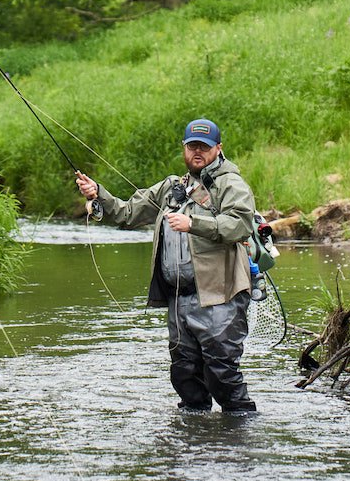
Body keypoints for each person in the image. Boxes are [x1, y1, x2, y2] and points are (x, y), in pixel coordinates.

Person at [76, 118, 258, 413]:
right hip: (178, 298)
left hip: (219, 294)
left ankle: (237, 441)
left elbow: (239, 226)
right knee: (185, 375)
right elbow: (127, 213)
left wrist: (193, 223)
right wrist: (99, 193)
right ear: (184, 148)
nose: (197, 152)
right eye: (192, 147)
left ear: (218, 148)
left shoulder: (231, 184)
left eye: (204, 147)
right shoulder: (172, 187)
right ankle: (192, 440)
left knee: (222, 375)